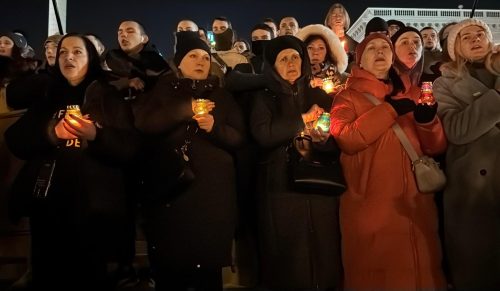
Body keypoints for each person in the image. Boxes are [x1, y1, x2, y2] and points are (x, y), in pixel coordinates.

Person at [4, 33, 140, 291]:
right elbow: (15, 140)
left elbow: (129, 148)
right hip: (49, 207)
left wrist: (97, 135)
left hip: (93, 209)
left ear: (91, 58)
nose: (69, 57)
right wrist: (51, 133)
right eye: (64, 52)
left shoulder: (107, 96)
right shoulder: (48, 95)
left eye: (78, 52)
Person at [330, 33, 447, 289]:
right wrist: (391, 110)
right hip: (372, 206)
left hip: (416, 205)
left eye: (385, 47)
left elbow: (435, 147)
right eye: (371, 48)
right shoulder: (346, 97)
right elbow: (347, 137)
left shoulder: (413, 93)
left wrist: (427, 122)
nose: (380, 51)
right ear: (360, 61)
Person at [132, 34, 245, 291]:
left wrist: (214, 127)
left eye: (205, 57)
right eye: (193, 56)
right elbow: (145, 123)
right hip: (172, 195)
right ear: (179, 62)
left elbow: (239, 138)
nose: (200, 61)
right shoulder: (163, 90)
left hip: (212, 200)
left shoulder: (222, 95)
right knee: (171, 271)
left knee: (207, 275)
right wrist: (186, 109)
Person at [250, 35, 342, 290]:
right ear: (273, 66)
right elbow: (263, 134)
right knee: (289, 251)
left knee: (324, 246)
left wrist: (323, 138)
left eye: (295, 57)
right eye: (283, 59)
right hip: (280, 186)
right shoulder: (264, 97)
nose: (291, 63)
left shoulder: (317, 94)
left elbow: (333, 138)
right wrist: (301, 120)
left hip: (319, 183)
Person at [433, 18, 500, 290]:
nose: (475, 39)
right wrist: (496, 95)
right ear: (455, 48)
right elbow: (456, 129)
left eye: (480, 33)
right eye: (466, 36)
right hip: (474, 192)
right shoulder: (444, 83)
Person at [296, 24, 348, 95]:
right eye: (310, 48)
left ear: (327, 52)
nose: (315, 52)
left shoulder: (339, 75)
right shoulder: (297, 73)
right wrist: (309, 84)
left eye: (321, 48)